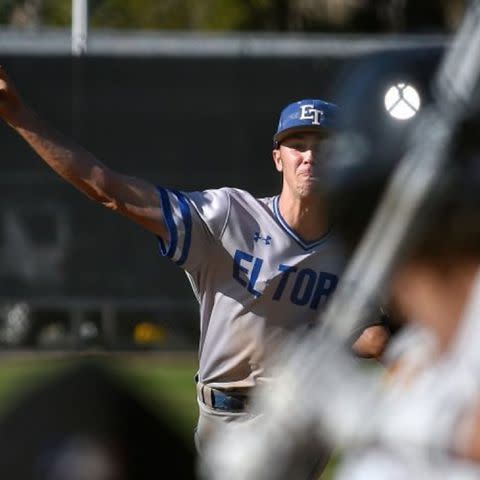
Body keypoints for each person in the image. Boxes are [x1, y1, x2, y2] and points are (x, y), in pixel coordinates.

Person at [0, 65, 390, 475]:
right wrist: (19, 116)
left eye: (322, 145)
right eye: (297, 144)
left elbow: (368, 334)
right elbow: (107, 189)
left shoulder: (351, 246)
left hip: (302, 420)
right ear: (279, 158)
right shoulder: (228, 218)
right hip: (228, 420)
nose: (310, 155)